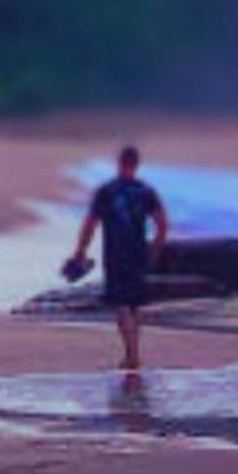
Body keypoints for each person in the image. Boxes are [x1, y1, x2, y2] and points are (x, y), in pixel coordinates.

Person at [64, 145, 170, 370]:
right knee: (134, 305)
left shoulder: (106, 191)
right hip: (138, 252)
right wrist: (154, 250)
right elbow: (162, 225)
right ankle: (133, 352)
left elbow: (90, 224)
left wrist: (80, 251)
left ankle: (131, 355)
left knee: (122, 304)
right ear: (136, 164)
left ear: (119, 162)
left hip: (115, 253)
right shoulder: (146, 191)